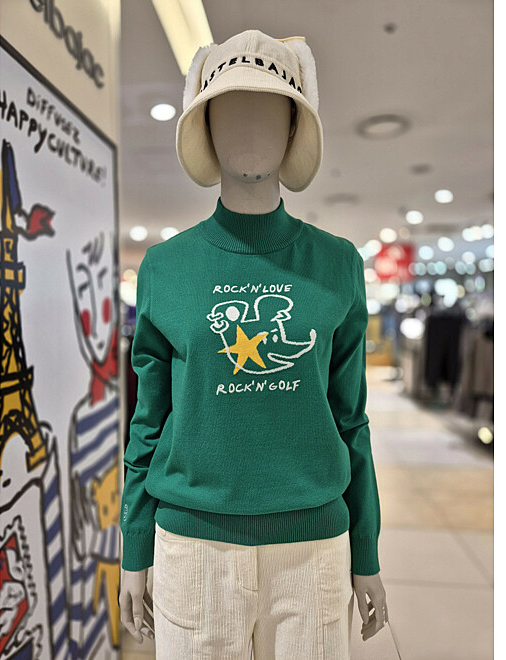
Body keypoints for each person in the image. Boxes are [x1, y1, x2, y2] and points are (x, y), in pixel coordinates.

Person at [119, 29, 388, 659]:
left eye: (270, 111)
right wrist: (134, 547)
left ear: (295, 129)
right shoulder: (165, 268)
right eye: (229, 110)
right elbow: (148, 421)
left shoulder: (337, 265)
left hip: (314, 548)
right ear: (205, 127)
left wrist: (366, 551)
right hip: (193, 547)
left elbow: (351, 418)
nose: (249, 127)